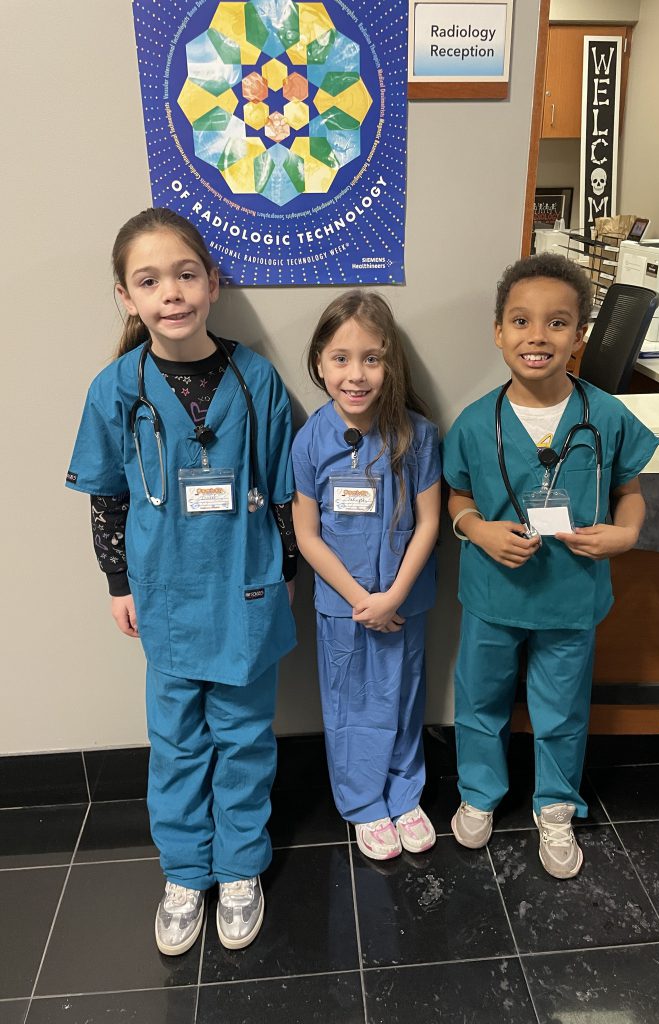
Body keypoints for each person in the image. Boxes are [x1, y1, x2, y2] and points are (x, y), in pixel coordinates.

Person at [66, 208, 297, 954]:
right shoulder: (117, 388)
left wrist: (288, 571)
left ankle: (239, 868)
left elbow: (284, 490)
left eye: (186, 274)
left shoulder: (255, 378)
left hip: (245, 588)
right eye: (149, 280)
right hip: (165, 593)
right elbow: (108, 497)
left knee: (244, 740)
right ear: (126, 296)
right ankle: (185, 873)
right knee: (176, 745)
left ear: (213, 283)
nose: (171, 292)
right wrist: (117, 582)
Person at [443, 254, 658, 878]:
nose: (537, 336)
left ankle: (557, 805)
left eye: (557, 323)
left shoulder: (607, 417)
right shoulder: (475, 422)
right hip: (494, 591)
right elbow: (456, 495)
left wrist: (626, 534)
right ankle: (479, 793)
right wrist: (477, 529)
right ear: (498, 332)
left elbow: (631, 493)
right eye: (521, 321)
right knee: (480, 698)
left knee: (562, 707)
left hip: (571, 594)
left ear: (579, 336)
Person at [292, 291, 441, 860]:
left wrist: (394, 595)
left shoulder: (418, 436)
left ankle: (404, 795)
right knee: (349, 703)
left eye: (371, 358)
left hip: (405, 600)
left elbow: (429, 523)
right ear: (320, 362)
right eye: (340, 358)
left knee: (404, 695)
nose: (355, 374)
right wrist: (362, 599)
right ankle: (363, 804)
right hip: (344, 606)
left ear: (390, 363)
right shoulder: (311, 441)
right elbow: (307, 535)